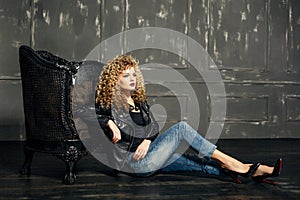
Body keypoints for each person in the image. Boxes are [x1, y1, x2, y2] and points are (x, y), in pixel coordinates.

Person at [95, 54, 282, 184]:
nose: (132, 78)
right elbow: (89, 113)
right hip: (133, 163)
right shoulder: (109, 103)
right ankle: (232, 163)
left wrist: (146, 141)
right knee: (181, 128)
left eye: (134, 74)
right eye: (126, 75)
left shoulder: (139, 100)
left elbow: (153, 128)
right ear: (114, 80)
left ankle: (251, 170)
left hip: (151, 155)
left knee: (196, 163)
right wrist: (108, 122)